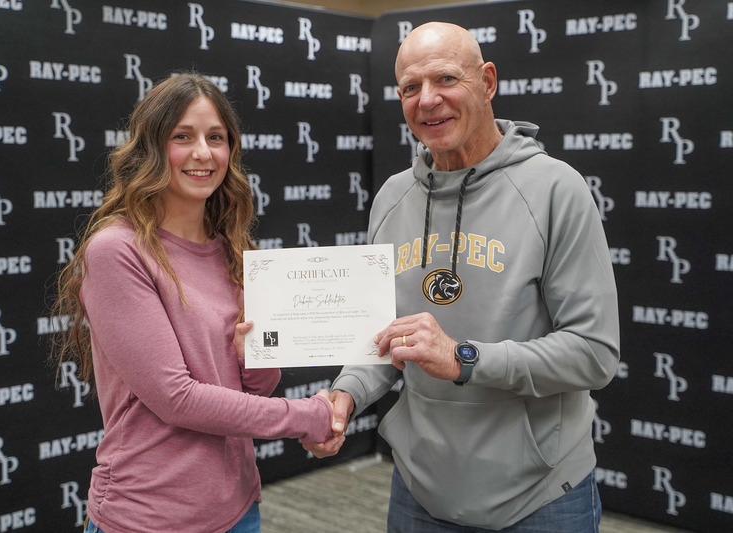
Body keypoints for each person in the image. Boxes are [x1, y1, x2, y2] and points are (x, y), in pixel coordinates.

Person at [304, 22, 620, 532]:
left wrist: (464, 359)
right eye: (410, 87)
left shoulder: (556, 190)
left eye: (446, 79)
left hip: (539, 497)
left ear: (487, 82)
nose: (428, 100)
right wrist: (346, 393)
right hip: (420, 489)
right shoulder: (391, 199)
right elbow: (382, 340)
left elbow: (594, 353)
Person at [52, 72, 334, 533]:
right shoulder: (116, 250)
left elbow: (252, 391)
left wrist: (257, 357)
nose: (204, 153)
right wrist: (307, 416)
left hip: (238, 509)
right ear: (152, 148)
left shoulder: (232, 251)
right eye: (183, 136)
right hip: (148, 518)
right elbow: (177, 399)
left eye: (216, 138)